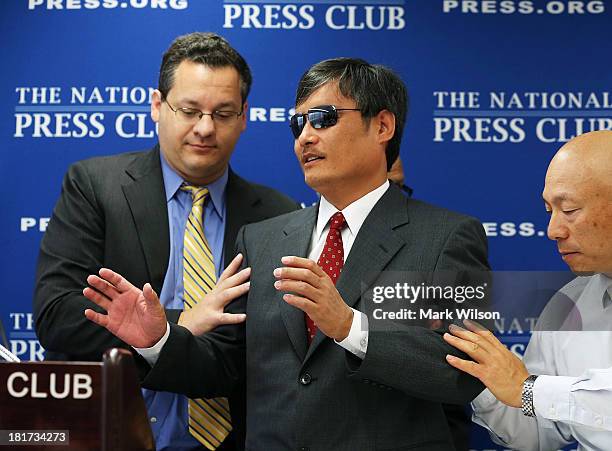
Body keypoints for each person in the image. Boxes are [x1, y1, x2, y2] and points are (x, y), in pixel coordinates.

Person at [84, 58, 490, 450]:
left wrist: (350, 327)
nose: (305, 137)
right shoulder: (262, 240)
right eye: (298, 123)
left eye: (324, 118)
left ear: (382, 125)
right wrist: (159, 340)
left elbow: (463, 370)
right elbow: (228, 365)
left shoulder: (448, 236)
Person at [33, 32, 299, 451]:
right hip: (108, 435)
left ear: (245, 116)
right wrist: (177, 326)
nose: (205, 129)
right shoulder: (95, 186)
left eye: (224, 113)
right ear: (158, 105)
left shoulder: (279, 215)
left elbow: (268, 349)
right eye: (189, 110)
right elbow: (58, 316)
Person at [443, 130, 612, 450]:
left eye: (570, 209)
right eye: (550, 211)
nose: (552, 231)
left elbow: (532, 392)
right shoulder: (570, 304)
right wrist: (475, 369)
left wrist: (528, 389)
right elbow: (536, 434)